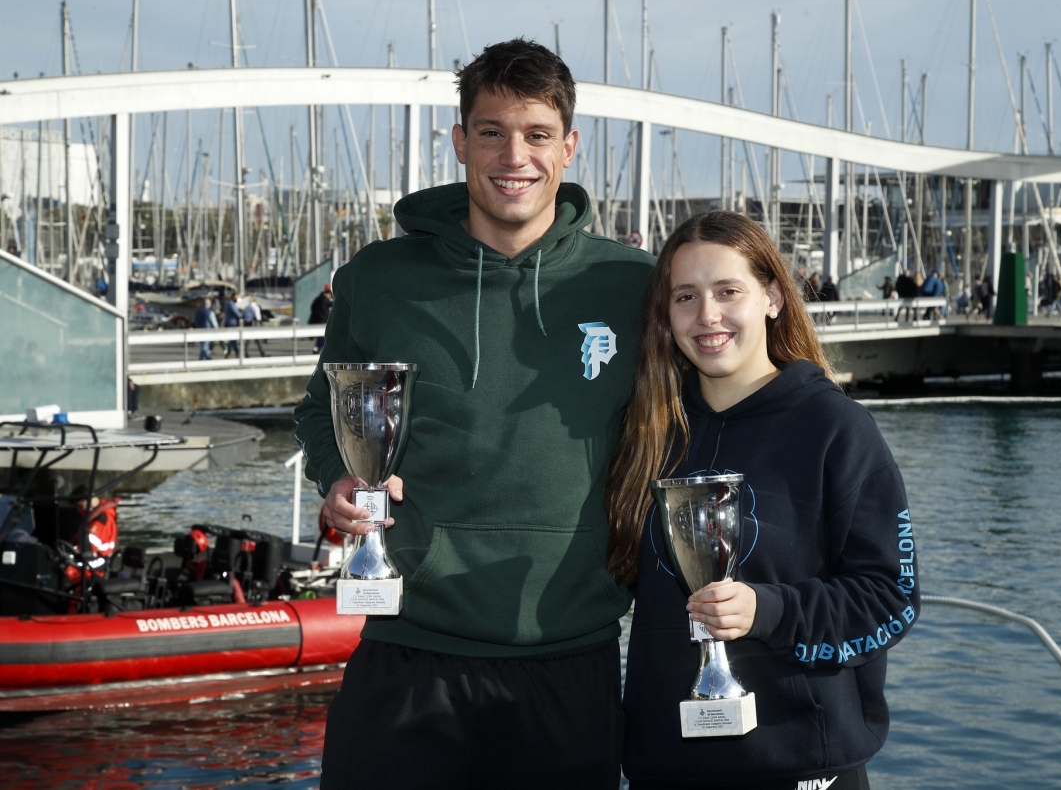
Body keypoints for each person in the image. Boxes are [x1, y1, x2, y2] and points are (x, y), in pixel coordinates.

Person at [294, 38, 654, 789]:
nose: (513, 156)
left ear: (569, 146)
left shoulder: (633, 284)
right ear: (461, 141)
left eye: (536, 135)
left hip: (570, 656)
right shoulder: (379, 278)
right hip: (410, 651)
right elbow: (319, 413)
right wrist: (336, 481)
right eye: (491, 132)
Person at [607, 211, 918, 789]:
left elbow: (891, 600)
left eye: (729, 291)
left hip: (801, 764)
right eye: (685, 296)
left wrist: (768, 611)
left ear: (773, 295)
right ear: (665, 314)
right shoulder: (651, 430)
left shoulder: (835, 428)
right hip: (666, 765)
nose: (708, 317)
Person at [308, 283, 334, 353]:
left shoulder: (317, 300)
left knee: (320, 336)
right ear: (327, 294)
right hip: (323, 320)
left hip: (317, 320)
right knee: (323, 336)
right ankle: (320, 349)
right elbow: (329, 306)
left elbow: (313, 308)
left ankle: (317, 348)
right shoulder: (325, 301)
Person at [222, 291, 242, 357]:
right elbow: (237, 313)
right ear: (234, 296)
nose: (238, 298)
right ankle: (230, 353)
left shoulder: (228, 303)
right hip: (232, 323)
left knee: (233, 339)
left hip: (228, 322)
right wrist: (243, 316)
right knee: (232, 339)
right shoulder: (231, 304)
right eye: (237, 296)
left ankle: (236, 353)